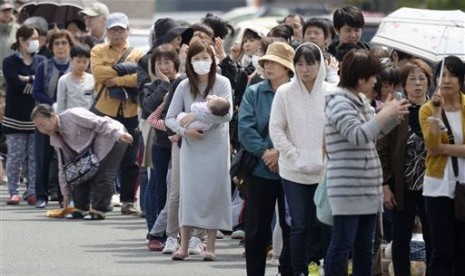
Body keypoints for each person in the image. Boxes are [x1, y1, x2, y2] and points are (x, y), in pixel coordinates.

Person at [324, 49, 411, 276]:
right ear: (359, 77)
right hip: (348, 187)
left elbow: (374, 134)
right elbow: (358, 135)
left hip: (366, 186)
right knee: (343, 244)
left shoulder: (360, 100)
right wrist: (384, 115)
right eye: (372, 76)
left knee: (365, 246)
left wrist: (393, 116)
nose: (375, 82)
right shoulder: (338, 101)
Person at [165, 38, 233, 261]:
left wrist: (197, 115)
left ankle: (210, 246)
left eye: (205, 58)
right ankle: (183, 246)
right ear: (189, 61)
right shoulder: (184, 85)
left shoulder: (222, 82)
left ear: (213, 60)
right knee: (189, 193)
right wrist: (187, 132)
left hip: (216, 148)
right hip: (192, 148)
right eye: (196, 58)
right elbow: (170, 118)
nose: (201, 62)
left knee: (214, 193)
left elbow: (228, 114)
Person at [269, 42, 332, 275]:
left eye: (310, 64)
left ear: (320, 64)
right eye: (300, 64)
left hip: (324, 170)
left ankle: (324, 266)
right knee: (299, 224)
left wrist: (328, 156)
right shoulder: (285, 92)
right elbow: (276, 129)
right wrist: (294, 155)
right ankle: (298, 270)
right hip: (293, 170)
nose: (305, 69)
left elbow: (338, 129)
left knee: (324, 223)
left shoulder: (331, 92)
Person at [238, 41, 294, 276]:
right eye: (267, 62)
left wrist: (281, 153)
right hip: (260, 169)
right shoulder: (254, 91)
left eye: (275, 62)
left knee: (292, 226)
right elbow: (245, 128)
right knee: (256, 229)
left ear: (288, 68)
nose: (269, 66)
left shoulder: (297, 93)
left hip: (292, 169)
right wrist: (266, 152)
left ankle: (289, 271)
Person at [378, 58, 433, 275]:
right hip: (402, 186)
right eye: (412, 79)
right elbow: (382, 150)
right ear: (404, 84)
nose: (418, 83)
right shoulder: (397, 111)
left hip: (432, 187)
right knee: (400, 237)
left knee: (433, 236)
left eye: (422, 78)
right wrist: (384, 184)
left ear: (429, 82)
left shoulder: (436, 110)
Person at [31, 104, 133, 220]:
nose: (42, 130)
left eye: (43, 125)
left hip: (112, 136)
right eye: (38, 128)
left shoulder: (72, 115)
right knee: (76, 174)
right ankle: (80, 208)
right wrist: (65, 195)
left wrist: (118, 134)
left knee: (102, 175)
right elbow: (63, 165)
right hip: (91, 151)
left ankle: (99, 210)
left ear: (53, 116)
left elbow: (99, 123)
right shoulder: (54, 137)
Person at [90, 12, 144, 215]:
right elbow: (97, 73)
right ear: (107, 31)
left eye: (121, 29)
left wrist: (117, 79)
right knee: (102, 156)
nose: (117, 33)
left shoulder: (138, 53)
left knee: (131, 159)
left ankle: (128, 201)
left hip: (130, 110)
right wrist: (125, 70)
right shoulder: (97, 50)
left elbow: (140, 76)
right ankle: (101, 199)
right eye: (113, 30)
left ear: (127, 30)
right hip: (105, 111)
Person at [419, 55, 465, 275]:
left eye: (453, 75)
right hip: (438, 187)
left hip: (464, 185)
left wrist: (443, 149)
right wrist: (437, 111)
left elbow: (438, 149)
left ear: (461, 79)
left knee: (462, 249)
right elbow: (431, 144)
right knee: (442, 248)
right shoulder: (427, 110)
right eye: (443, 75)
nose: (447, 80)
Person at [141, 43, 181, 251]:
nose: (164, 66)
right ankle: (156, 231)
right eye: (159, 63)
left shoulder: (184, 82)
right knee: (159, 186)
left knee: (177, 188)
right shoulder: (152, 86)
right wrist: (164, 85)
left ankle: (174, 231)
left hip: (181, 142)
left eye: (167, 61)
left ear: (175, 62)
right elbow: (147, 107)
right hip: (161, 144)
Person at [3, 25, 46, 205]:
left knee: (34, 158)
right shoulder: (9, 62)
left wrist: (26, 79)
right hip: (14, 117)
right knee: (15, 157)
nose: (36, 41)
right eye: (32, 38)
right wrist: (32, 82)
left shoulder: (42, 60)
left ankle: (32, 191)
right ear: (21, 39)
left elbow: (41, 85)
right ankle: (13, 191)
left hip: (36, 118)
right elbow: (14, 84)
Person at [32, 29, 75, 208]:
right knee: (42, 157)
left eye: (64, 43)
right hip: (45, 118)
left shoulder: (75, 66)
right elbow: (37, 91)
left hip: (67, 121)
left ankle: (62, 196)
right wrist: (53, 105)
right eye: (56, 43)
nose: (60, 47)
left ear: (70, 46)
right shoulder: (45, 65)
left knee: (64, 159)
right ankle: (41, 195)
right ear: (51, 47)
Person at [56, 44, 94, 114]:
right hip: (71, 120)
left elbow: (94, 102)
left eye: (85, 62)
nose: (81, 65)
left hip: (89, 119)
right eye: (78, 61)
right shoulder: (64, 80)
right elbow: (60, 106)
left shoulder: (92, 79)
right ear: (71, 60)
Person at [0, 0, 20, 89]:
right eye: (4, 10)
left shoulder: (18, 29)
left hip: (13, 77)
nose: (7, 13)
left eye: (9, 10)